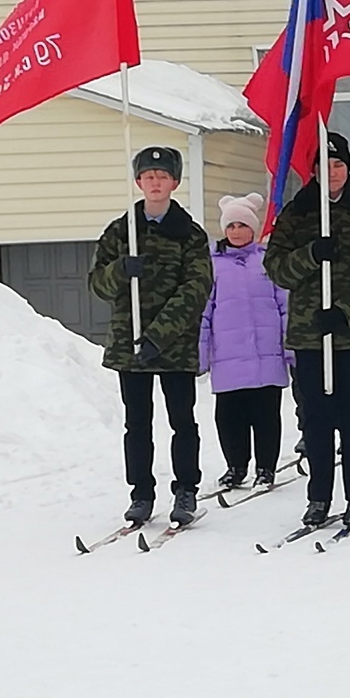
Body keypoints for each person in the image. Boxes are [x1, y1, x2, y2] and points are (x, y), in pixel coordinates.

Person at [264, 132, 350, 529]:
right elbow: (275, 266)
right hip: (310, 334)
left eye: (339, 165)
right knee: (316, 420)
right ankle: (318, 496)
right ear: (314, 170)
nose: (333, 173)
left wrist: (346, 310)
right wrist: (310, 255)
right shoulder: (299, 212)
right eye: (325, 166)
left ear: (348, 168)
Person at [89, 145, 213, 526]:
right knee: (137, 422)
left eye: (162, 177)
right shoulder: (120, 231)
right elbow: (97, 283)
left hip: (172, 344)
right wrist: (122, 270)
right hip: (130, 343)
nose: (155, 183)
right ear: (138, 182)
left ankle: (186, 489)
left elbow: (196, 287)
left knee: (182, 419)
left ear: (174, 182)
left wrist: (160, 335)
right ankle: (140, 493)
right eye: (148, 176)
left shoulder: (189, 234)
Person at [199, 193, 291, 491]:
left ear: (252, 228)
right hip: (228, 357)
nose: (236, 231)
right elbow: (204, 312)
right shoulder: (211, 266)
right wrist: (200, 352)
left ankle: (266, 467)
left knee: (266, 415)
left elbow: (286, 306)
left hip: (266, 355)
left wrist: (290, 347)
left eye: (242, 225)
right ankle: (236, 466)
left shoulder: (268, 262)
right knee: (229, 417)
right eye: (231, 226)